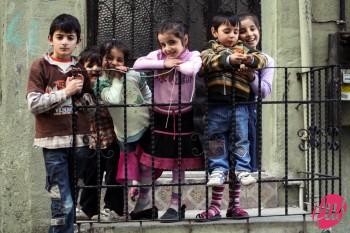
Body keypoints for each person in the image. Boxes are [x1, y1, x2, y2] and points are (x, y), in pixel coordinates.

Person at [196, 13, 268, 221]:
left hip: (241, 107)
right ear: (214, 32)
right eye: (227, 31)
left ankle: (236, 197)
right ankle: (217, 172)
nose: (233, 36)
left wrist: (250, 60)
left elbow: (262, 59)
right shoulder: (209, 52)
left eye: (235, 32)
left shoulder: (245, 49)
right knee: (216, 141)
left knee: (241, 143)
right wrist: (228, 59)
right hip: (217, 107)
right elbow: (206, 62)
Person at [26, 14, 92, 232]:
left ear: (77, 41)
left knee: (72, 198)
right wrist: (66, 91)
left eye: (70, 37)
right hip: (53, 145)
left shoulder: (80, 68)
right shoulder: (41, 66)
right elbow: (34, 104)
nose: (64, 42)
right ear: (50, 39)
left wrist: (82, 94)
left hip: (80, 144)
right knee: (62, 203)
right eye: (60, 37)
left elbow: (91, 106)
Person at [133, 20, 204, 221]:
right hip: (159, 116)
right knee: (147, 162)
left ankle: (175, 204)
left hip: (183, 117)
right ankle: (145, 203)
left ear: (185, 40)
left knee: (177, 164)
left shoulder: (193, 56)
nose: (167, 48)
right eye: (163, 44)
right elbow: (138, 64)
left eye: (172, 42)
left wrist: (178, 64)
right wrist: (163, 63)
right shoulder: (159, 57)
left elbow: (192, 69)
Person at [95, 39, 159, 220]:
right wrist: (116, 78)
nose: (114, 63)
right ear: (102, 59)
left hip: (146, 126)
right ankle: (119, 208)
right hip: (124, 133)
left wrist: (149, 105)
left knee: (147, 165)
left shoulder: (134, 75)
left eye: (119, 60)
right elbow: (113, 99)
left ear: (125, 62)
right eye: (109, 58)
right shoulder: (101, 83)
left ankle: (143, 205)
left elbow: (146, 91)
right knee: (128, 167)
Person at [225, 12, 275, 219]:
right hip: (222, 111)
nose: (248, 34)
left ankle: (234, 205)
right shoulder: (228, 55)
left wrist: (252, 76)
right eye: (242, 31)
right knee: (221, 161)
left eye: (252, 29)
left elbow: (264, 91)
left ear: (259, 30)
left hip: (247, 113)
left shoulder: (266, 60)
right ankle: (214, 204)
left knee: (240, 158)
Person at [75, 46, 125, 221]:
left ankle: (114, 209)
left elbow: (107, 111)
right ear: (82, 67)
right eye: (90, 65)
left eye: (98, 65)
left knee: (114, 176)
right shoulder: (80, 89)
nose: (95, 69)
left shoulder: (106, 85)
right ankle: (89, 209)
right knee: (91, 175)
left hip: (111, 137)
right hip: (91, 139)